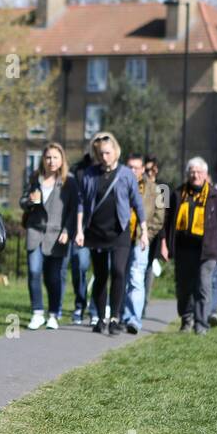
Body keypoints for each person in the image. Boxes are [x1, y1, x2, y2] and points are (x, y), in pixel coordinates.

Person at [78, 132, 145, 336]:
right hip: (96, 231)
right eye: (101, 153)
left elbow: (137, 202)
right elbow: (81, 202)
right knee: (100, 276)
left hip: (120, 231)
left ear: (116, 151)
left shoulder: (126, 174)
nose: (104, 156)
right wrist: (79, 230)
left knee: (118, 271)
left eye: (107, 152)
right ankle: (100, 318)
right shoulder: (89, 174)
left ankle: (115, 317)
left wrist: (144, 231)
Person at [165, 157, 217, 335]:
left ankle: (201, 324)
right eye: (192, 172)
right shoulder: (177, 194)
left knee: (203, 286)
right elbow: (166, 221)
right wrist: (164, 244)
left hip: (208, 250)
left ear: (205, 174)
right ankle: (186, 319)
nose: (195, 175)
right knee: (183, 287)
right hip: (183, 249)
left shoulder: (216, 196)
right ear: (187, 174)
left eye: (199, 172)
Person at [20, 142, 77, 330]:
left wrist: (68, 231)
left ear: (62, 160)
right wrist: (29, 201)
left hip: (57, 235)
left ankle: (53, 314)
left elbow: (72, 210)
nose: (51, 161)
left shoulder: (69, 181)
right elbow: (22, 201)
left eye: (55, 157)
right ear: (43, 160)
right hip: (35, 231)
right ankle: (37, 312)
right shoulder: (35, 178)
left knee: (53, 277)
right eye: (48, 157)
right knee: (34, 272)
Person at [120, 152, 162, 333]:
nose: (132, 170)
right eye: (129, 167)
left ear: (143, 169)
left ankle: (133, 319)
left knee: (136, 279)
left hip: (140, 241)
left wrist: (147, 234)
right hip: (120, 240)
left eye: (136, 167)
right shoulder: (119, 185)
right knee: (119, 277)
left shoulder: (155, 189)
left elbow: (159, 217)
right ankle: (118, 314)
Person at [66, 152, 98, 325]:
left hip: (102, 229)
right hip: (82, 229)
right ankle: (80, 304)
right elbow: (76, 201)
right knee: (80, 265)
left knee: (102, 270)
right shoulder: (78, 170)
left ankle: (95, 309)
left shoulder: (112, 170)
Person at [141, 155, 166, 317]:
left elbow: (164, 217)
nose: (149, 173)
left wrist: (163, 242)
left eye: (152, 169)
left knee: (148, 268)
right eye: (147, 169)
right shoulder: (140, 186)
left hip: (155, 236)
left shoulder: (162, 188)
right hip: (140, 234)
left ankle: (143, 303)